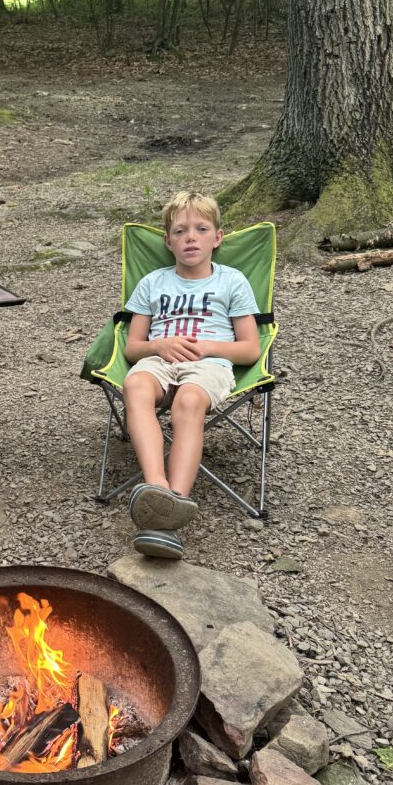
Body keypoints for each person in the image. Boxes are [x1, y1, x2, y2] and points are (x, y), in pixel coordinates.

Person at [122, 191, 260, 560]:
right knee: (135, 385)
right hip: (160, 358)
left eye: (201, 229)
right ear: (168, 242)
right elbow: (133, 348)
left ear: (218, 237)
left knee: (189, 401)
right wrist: (159, 345)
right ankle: (157, 487)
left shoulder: (232, 281)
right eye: (180, 232)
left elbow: (250, 349)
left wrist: (210, 347)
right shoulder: (152, 282)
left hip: (208, 363)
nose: (191, 238)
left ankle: (173, 504)